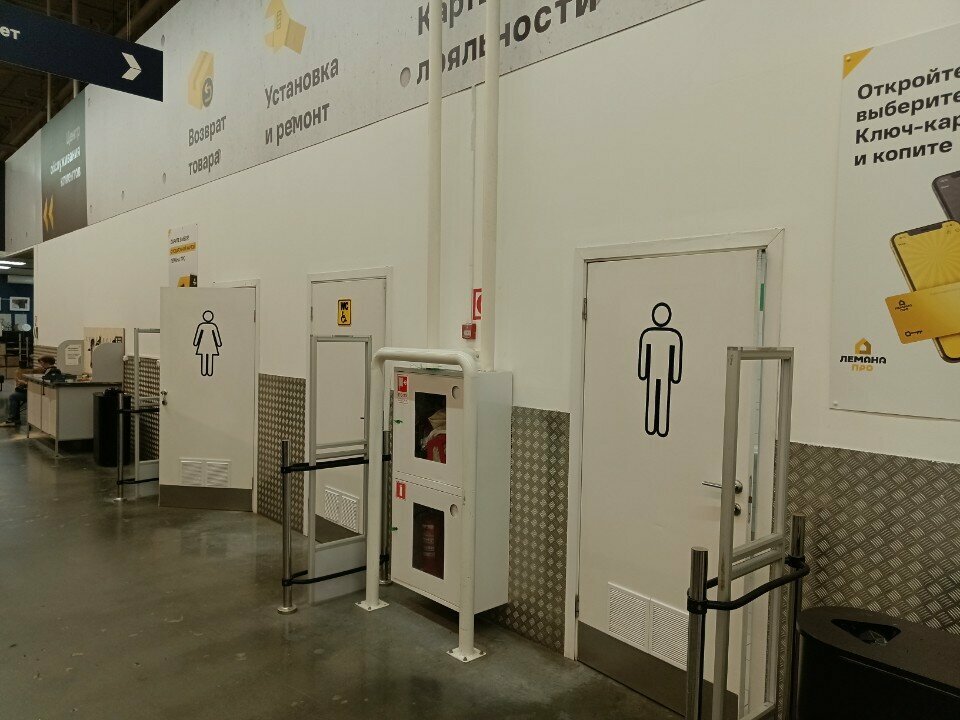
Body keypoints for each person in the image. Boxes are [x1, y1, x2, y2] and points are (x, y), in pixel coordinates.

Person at [0, 355, 57, 428]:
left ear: (46, 362)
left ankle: (13, 419)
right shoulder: (50, 371)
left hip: (40, 394)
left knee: (14, 396)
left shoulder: (50, 372)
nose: (41, 365)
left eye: (41, 363)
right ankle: (14, 419)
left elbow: (42, 384)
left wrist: (25, 383)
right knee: (16, 394)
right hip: (40, 392)